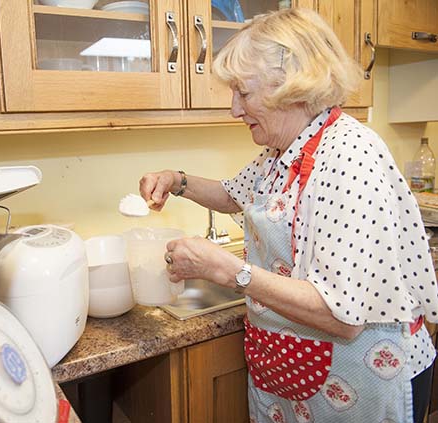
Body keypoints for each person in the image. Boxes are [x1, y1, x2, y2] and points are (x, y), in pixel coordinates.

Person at [139, 8, 437, 423]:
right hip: (301, 373)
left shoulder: (348, 155)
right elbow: (232, 195)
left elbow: (341, 315)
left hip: (362, 378)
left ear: (293, 87)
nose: (233, 110)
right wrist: (177, 180)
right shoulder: (285, 150)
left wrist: (229, 270)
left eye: (244, 92)